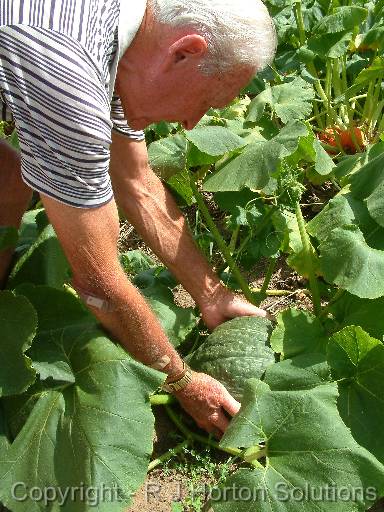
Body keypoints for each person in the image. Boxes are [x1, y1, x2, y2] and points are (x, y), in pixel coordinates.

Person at [0, 0, 276, 437]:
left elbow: (136, 181)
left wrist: (211, 293)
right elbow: (97, 285)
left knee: (8, 180)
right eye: (205, 101)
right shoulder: (68, 68)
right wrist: (183, 381)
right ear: (183, 51)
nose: (191, 123)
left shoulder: (126, 41)